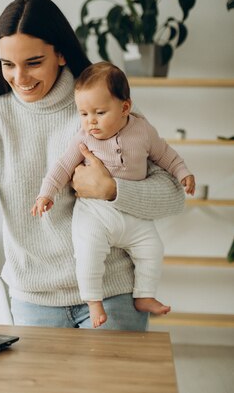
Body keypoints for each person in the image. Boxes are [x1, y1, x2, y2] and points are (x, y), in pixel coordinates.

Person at [0, 0, 185, 330]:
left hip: (112, 294)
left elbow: (174, 195)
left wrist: (112, 189)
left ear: (61, 53)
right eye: (8, 64)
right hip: (33, 300)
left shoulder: (102, 108)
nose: (20, 77)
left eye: (34, 62)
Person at [31, 61, 195, 327]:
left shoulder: (143, 130)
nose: (90, 121)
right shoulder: (83, 137)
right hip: (94, 213)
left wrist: (183, 172)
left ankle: (144, 295)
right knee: (88, 252)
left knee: (153, 248)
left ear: (125, 107)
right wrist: (46, 194)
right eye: (83, 114)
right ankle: (93, 301)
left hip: (133, 213)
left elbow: (165, 155)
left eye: (99, 112)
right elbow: (61, 167)